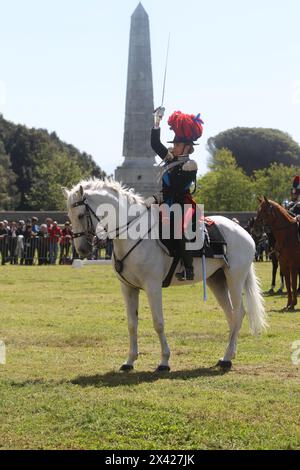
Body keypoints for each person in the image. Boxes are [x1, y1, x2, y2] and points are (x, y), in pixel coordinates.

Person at [145, 108, 203, 280]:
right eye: (174, 144)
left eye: (177, 145)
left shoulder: (190, 165)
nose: (174, 147)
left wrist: (156, 199)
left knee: (179, 228)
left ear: (187, 147)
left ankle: (188, 268)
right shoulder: (171, 160)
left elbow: (176, 189)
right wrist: (157, 121)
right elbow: (155, 144)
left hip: (182, 204)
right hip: (166, 203)